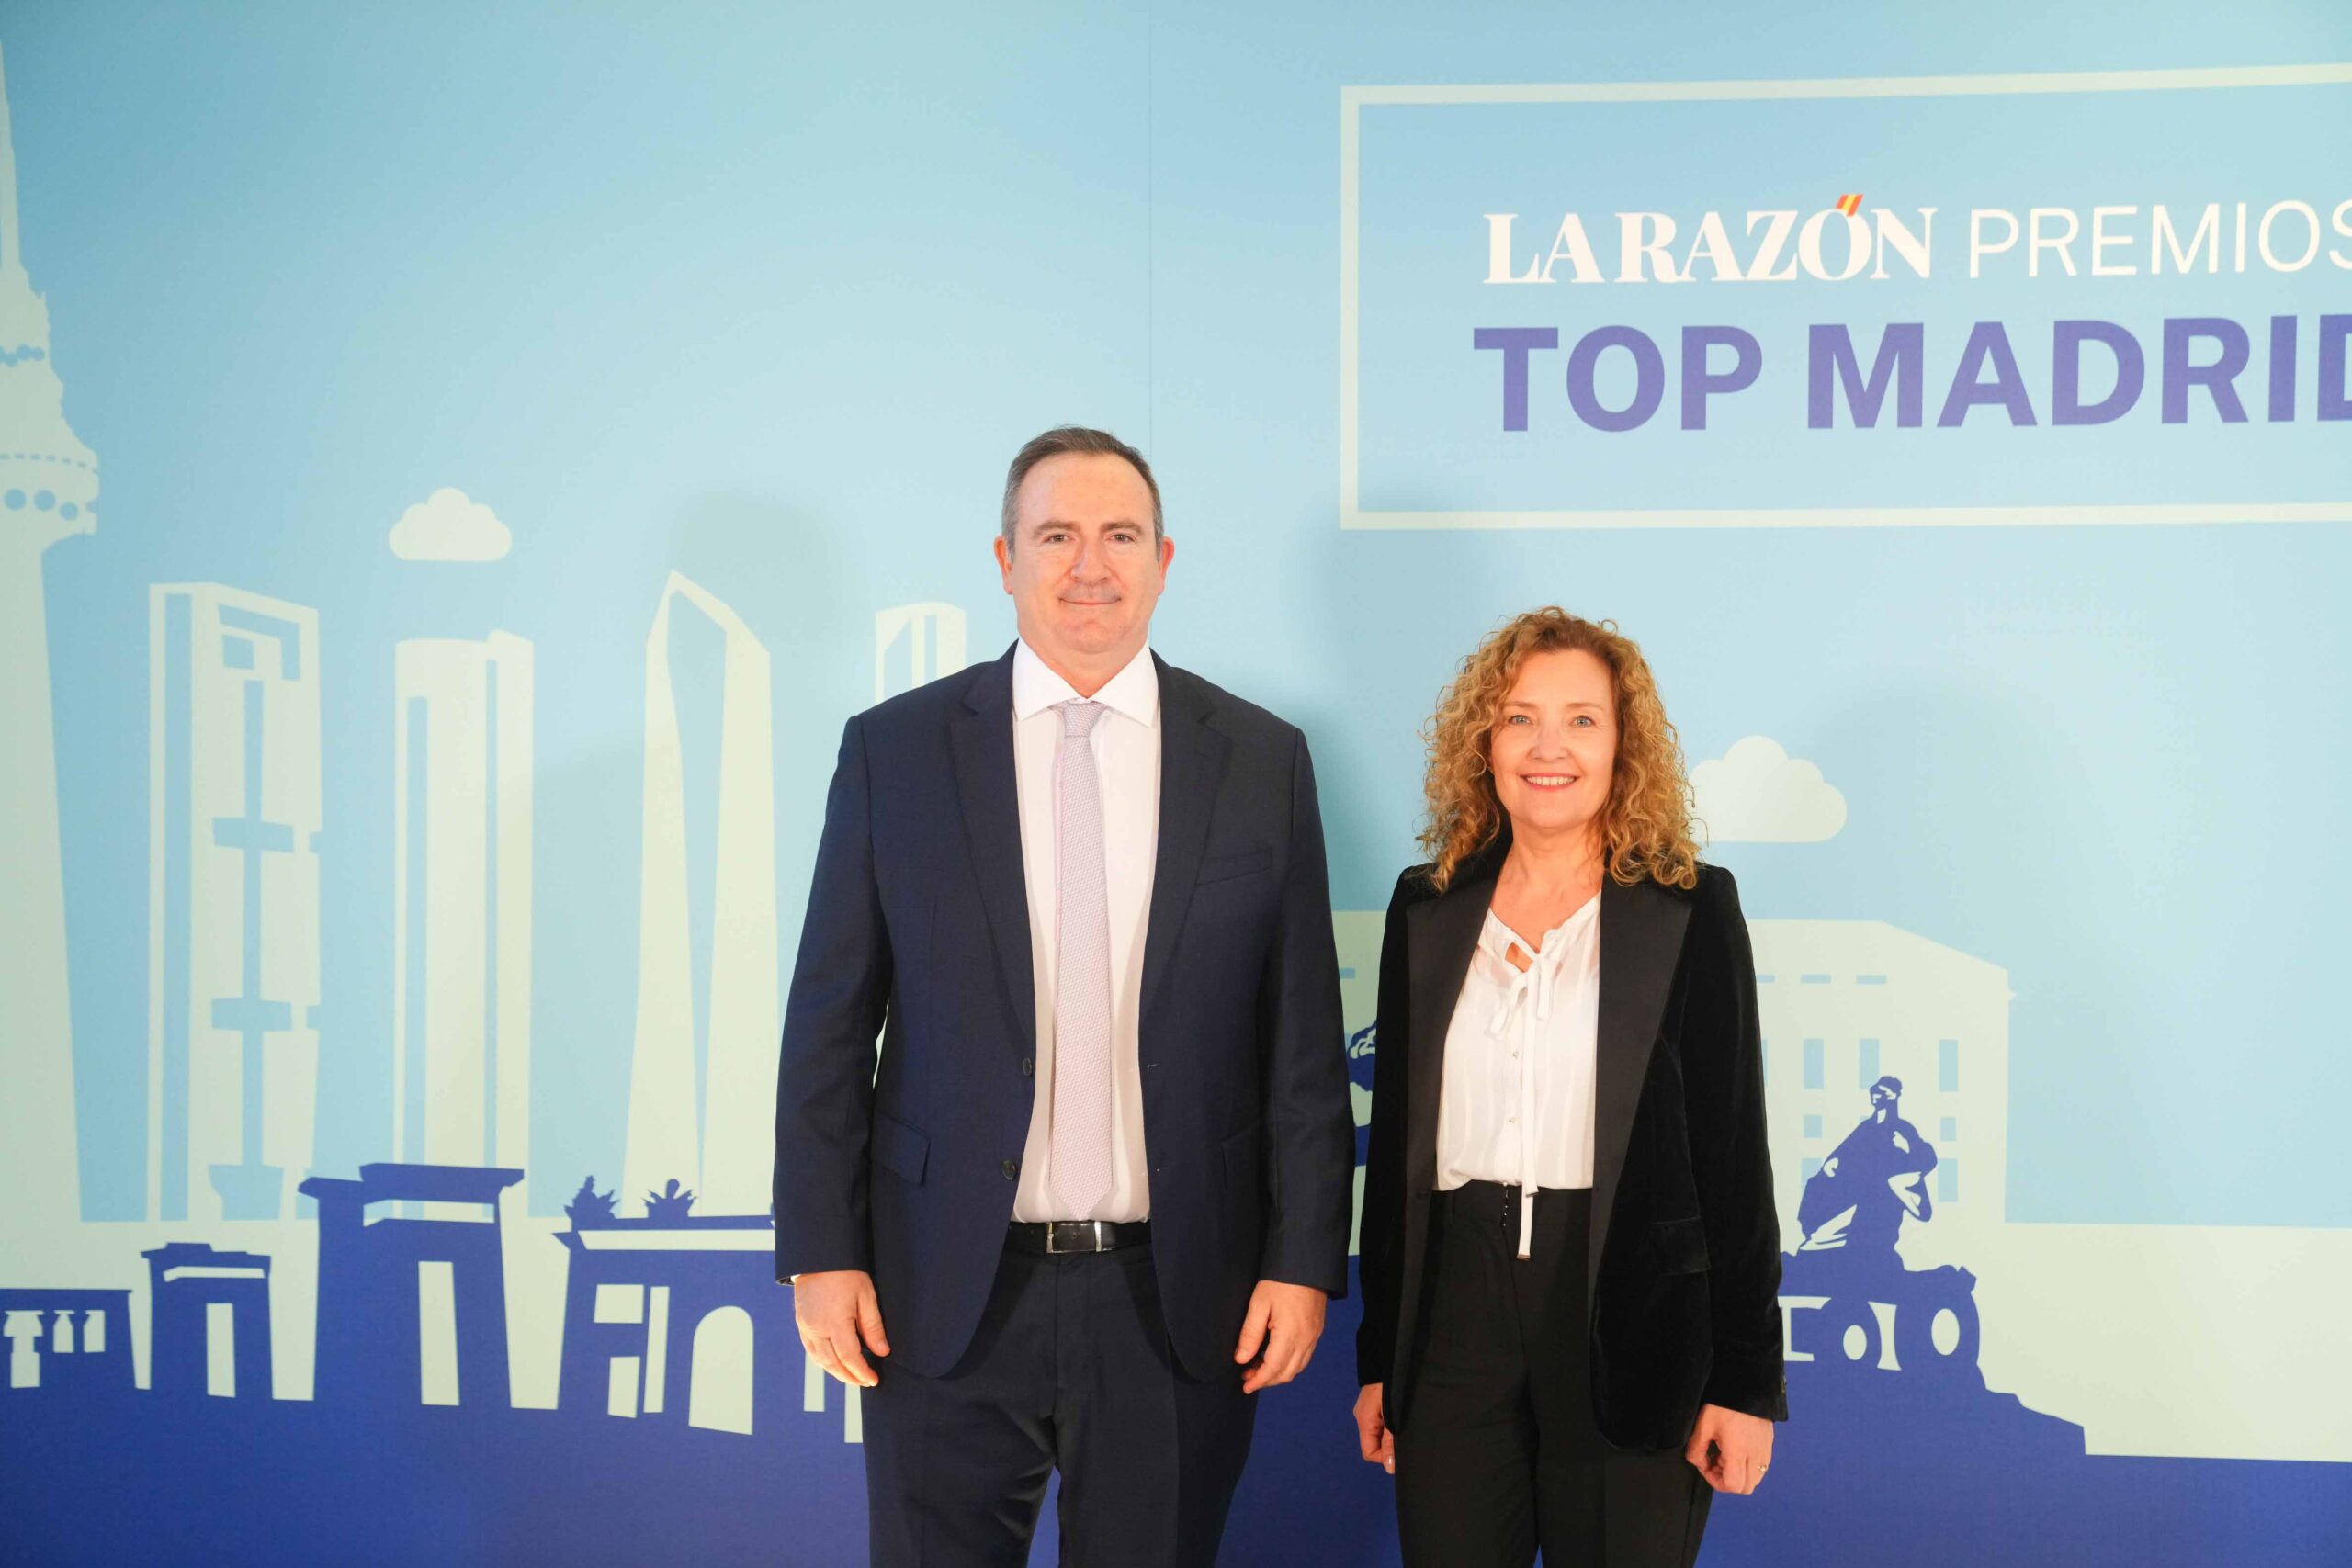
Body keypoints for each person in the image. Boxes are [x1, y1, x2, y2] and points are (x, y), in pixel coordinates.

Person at [774, 426, 1354, 1567]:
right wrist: (821, 1249)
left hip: (1174, 1295)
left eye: (1119, 536)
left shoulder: (1260, 758)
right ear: (1005, 560)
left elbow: (1300, 1044)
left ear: (1164, 561)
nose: (1090, 565)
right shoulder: (896, 753)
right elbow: (829, 1022)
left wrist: (1299, 1260)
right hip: (941, 1289)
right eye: (1056, 536)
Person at [1351, 607, 1787, 1568]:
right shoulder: (1426, 907)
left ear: (1623, 745)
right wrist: (1380, 1357)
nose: (1548, 747)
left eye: (1581, 720)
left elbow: (1732, 1157)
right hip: (1453, 1318)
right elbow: (1396, 1157)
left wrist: (1746, 1380)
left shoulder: (1689, 907)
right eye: (1520, 718)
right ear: (1484, 742)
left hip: (1631, 1316)